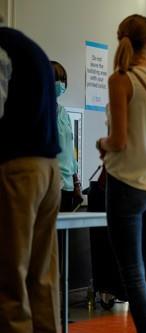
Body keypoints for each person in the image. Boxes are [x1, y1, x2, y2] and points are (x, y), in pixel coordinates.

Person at [96, 14, 146, 333]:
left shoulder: (120, 79)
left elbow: (118, 140)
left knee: (132, 273)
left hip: (126, 184)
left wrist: (101, 142)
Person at [0, 24, 62, 333]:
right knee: (42, 276)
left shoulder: (1, 49)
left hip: (20, 169)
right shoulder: (28, 46)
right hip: (49, 169)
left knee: (10, 274)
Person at [51, 61, 84, 212]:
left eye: (63, 79)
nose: (61, 84)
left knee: (65, 233)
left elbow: (71, 151)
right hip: (50, 184)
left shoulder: (63, 112)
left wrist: (76, 181)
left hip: (68, 184)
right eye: (58, 79)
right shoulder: (40, 111)